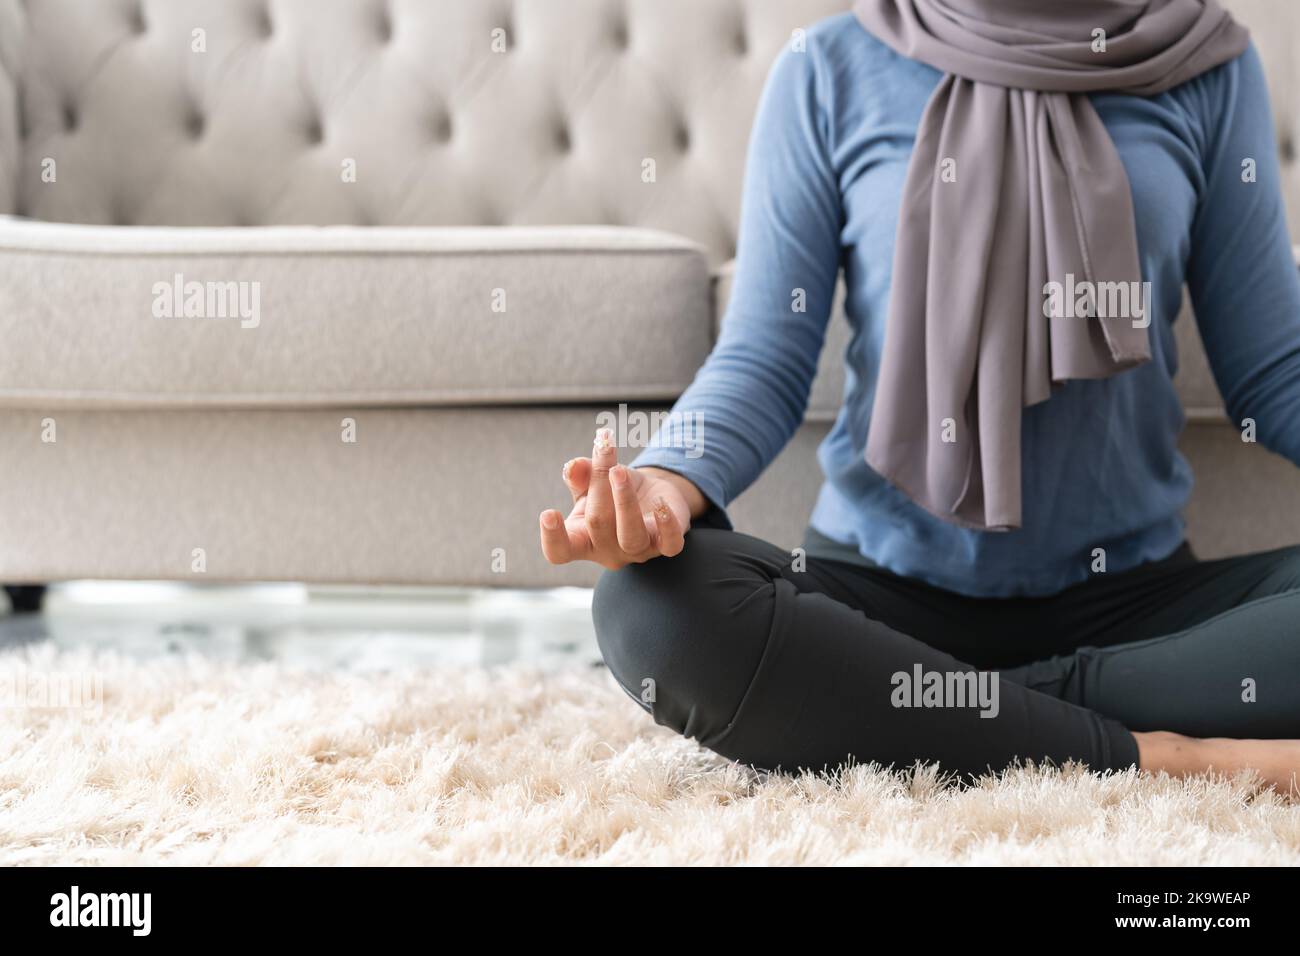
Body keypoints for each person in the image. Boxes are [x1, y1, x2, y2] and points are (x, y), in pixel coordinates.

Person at [539, 1, 1300, 790]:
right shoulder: (827, 64)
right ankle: (1165, 755)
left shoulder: (1207, 60)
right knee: (648, 608)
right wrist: (666, 479)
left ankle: (934, 714)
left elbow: (1274, 369)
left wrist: (876, 694)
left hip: (1134, 610)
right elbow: (763, 356)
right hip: (875, 605)